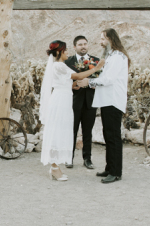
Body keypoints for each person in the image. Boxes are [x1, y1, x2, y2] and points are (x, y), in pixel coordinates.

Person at [39, 40, 103, 181]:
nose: (67, 52)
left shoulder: (60, 66)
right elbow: (79, 76)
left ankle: (55, 167)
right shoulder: (59, 66)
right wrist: (97, 68)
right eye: (65, 50)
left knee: (61, 132)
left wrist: (72, 86)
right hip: (60, 101)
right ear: (59, 52)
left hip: (64, 99)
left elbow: (66, 81)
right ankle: (54, 168)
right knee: (57, 132)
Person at [75, 29, 129, 183]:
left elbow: (109, 79)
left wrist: (89, 82)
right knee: (108, 136)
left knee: (113, 137)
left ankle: (116, 172)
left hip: (113, 100)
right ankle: (109, 168)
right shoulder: (111, 56)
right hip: (106, 100)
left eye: (102, 39)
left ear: (110, 39)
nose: (100, 42)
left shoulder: (118, 56)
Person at [64, 35, 101, 169]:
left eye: (85, 44)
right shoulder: (68, 62)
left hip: (90, 101)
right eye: (80, 44)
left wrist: (92, 83)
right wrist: (72, 84)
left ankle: (87, 159)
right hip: (73, 102)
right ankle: (69, 158)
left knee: (88, 131)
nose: (83, 46)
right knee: (71, 131)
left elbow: (101, 80)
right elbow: (62, 82)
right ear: (74, 47)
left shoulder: (96, 62)